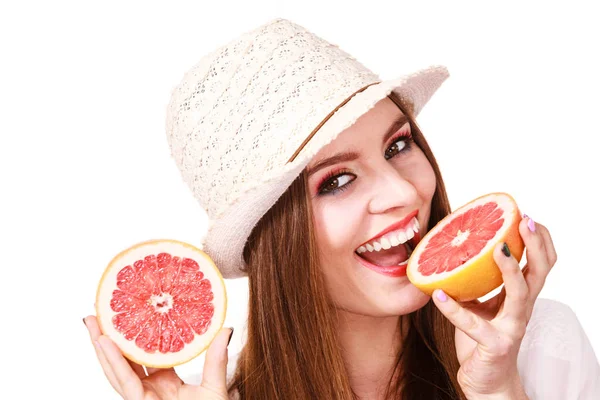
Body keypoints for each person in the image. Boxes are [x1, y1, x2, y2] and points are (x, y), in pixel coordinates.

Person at [83, 18, 600, 399]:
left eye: (398, 146)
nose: (402, 192)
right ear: (272, 237)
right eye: (337, 180)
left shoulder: (538, 347)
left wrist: (496, 390)